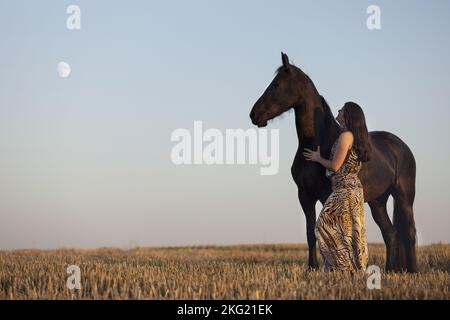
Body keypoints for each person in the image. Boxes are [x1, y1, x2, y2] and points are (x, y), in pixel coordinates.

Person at [303, 102, 371, 273]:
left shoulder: (346, 136)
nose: (339, 110)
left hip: (345, 189)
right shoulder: (351, 136)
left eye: (342, 109)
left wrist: (318, 158)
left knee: (323, 224)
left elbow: (334, 166)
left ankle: (341, 266)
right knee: (348, 231)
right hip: (350, 189)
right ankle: (347, 269)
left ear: (347, 115)